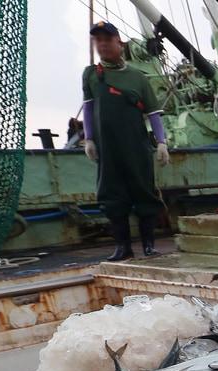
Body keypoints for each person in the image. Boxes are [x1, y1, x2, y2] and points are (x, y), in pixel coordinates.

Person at [81, 21, 170, 261]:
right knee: (112, 196)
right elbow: (88, 110)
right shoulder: (91, 75)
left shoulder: (137, 78)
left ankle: (149, 245)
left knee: (144, 193)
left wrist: (161, 142)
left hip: (136, 147)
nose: (102, 45)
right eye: (98, 40)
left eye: (107, 40)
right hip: (107, 149)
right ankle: (123, 248)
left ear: (119, 43)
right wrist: (89, 139)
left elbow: (153, 112)